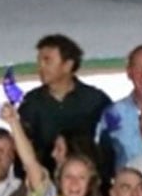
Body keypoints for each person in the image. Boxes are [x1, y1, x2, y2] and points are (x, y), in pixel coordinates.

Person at [19, 33, 113, 169]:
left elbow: (110, 143)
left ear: (68, 65)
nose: (40, 67)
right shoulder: (31, 103)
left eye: (47, 61)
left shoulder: (95, 101)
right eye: (39, 61)